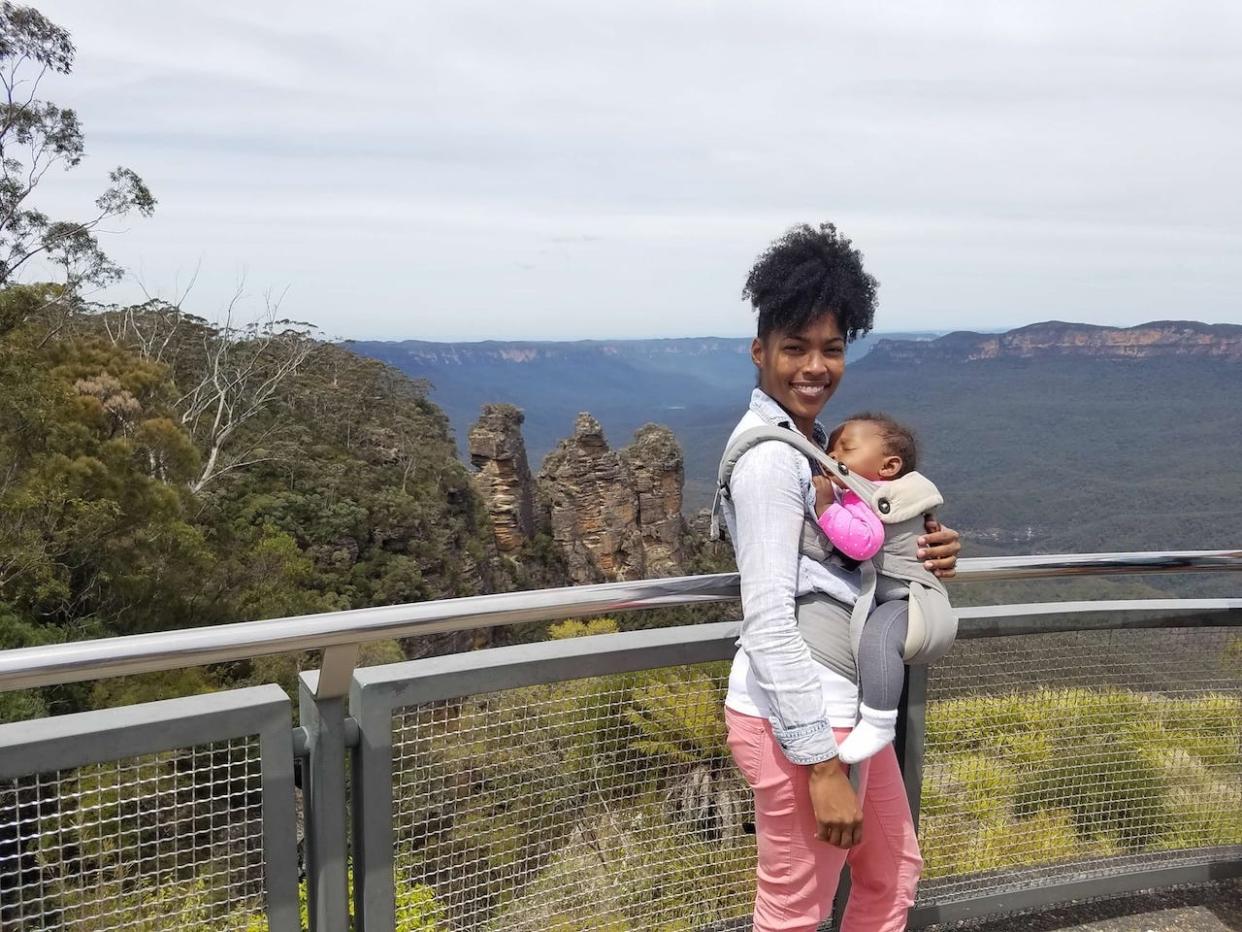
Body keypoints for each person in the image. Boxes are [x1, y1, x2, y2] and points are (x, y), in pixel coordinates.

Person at [719, 223, 960, 932]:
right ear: (760, 351)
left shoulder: (813, 449)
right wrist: (822, 767)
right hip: (802, 722)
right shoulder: (771, 462)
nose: (814, 366)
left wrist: (929, 549)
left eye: (831, 348)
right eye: (794, 347)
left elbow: (861, 541)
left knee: (891, 872)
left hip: (843, 712)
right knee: (795, 912)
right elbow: (767, 619)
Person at [812, 413, 943, 765]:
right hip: (903, 598)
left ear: (888, 467)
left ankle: (880, 720)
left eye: (846, 450)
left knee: (879, 638)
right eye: (830, 451)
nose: (833, 458)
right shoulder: (876, 492)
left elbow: (865, 543)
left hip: (908, 600)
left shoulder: (865, 499)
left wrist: (824, 508)